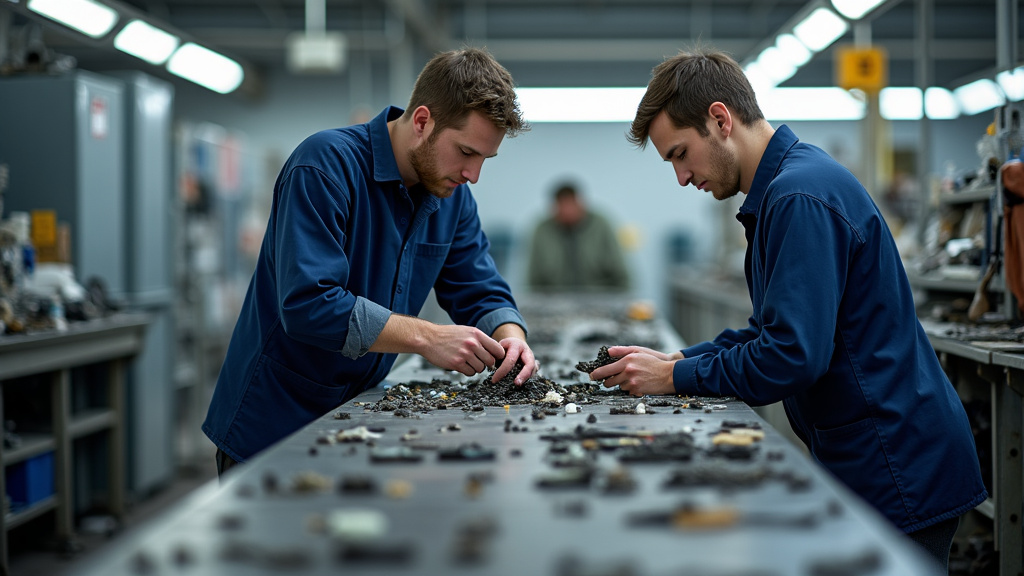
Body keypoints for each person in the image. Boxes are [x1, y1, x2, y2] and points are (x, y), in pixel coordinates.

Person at [586, 48, 986, 571]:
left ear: (720, 119)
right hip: (874, 452)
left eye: (680, 154)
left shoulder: (799, 196)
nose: (682, 177)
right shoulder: (785, 188)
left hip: (894, 463)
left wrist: (678, 377)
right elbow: (766, 331)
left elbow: (791, 357)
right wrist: (675, 359)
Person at [203, 48, 537, 476]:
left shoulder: (451, 198)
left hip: (360, 421)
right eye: (466, 152)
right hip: (274, 429)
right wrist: (427, 338)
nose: (473, 175)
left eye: (483, 160)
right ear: (422, 122)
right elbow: (309, 305)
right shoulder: (324, 166)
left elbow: (477, 284)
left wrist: (511, 338)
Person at [527, 182, 630, 292]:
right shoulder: (542, 230)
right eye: (562, 206)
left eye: (571, 204)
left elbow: (620, 274)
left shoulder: (601, 225)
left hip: (599, 298)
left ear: (581, 204)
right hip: (555, 300)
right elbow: (534, 279)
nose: (567, 211)